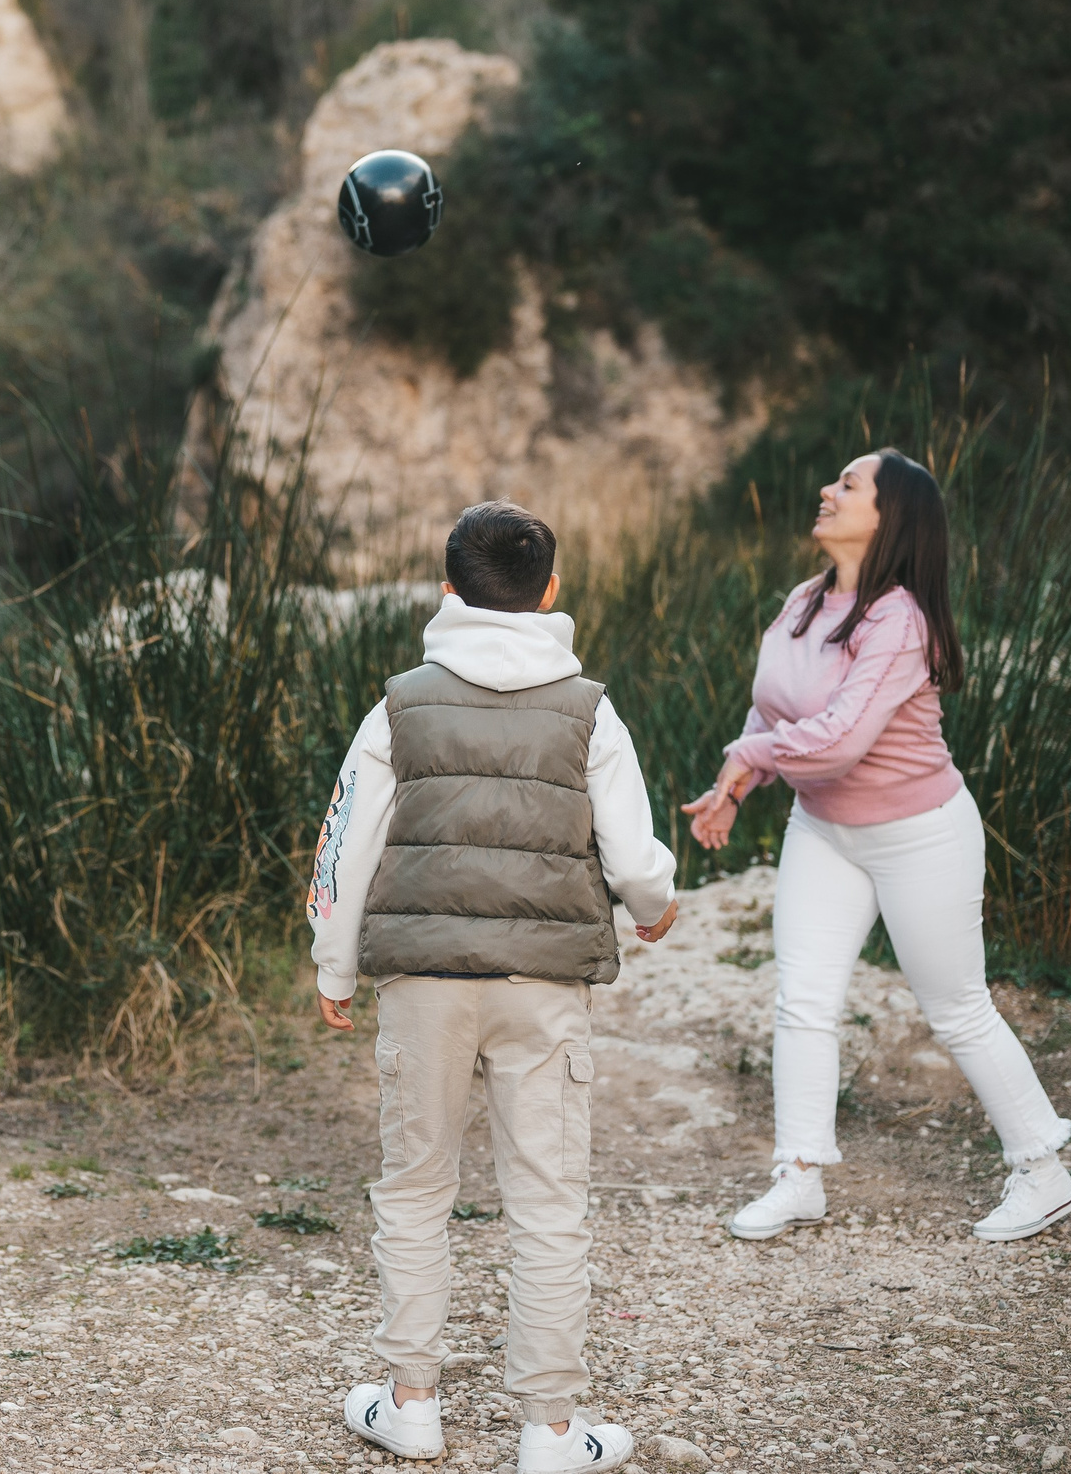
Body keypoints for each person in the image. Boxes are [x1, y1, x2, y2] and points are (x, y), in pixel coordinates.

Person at [307, 501, 680, 1474]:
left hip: (423, 982)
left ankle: (410, 1405)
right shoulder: (589, 709)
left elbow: (345, 846)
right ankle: (551, 1432)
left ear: (447, 591)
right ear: (550, 592)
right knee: (548, 1200)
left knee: (415, 1187)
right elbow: (632, 853)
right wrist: (653, 905)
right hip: (542, 985)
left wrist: (333, 962)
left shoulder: (398, 706)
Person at [681, 449, 1071, 1244]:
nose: (826, 490)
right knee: (803, 999)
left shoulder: (900, 620)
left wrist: (748, 758)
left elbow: (839, 742)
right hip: (823, 830)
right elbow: (772, 710)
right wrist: (736, 784)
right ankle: (799, 1176)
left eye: (848, 484)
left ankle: (1043, 1172)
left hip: (919, 834)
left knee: (956, 1007)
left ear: (888, 516)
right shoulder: (804, 601)